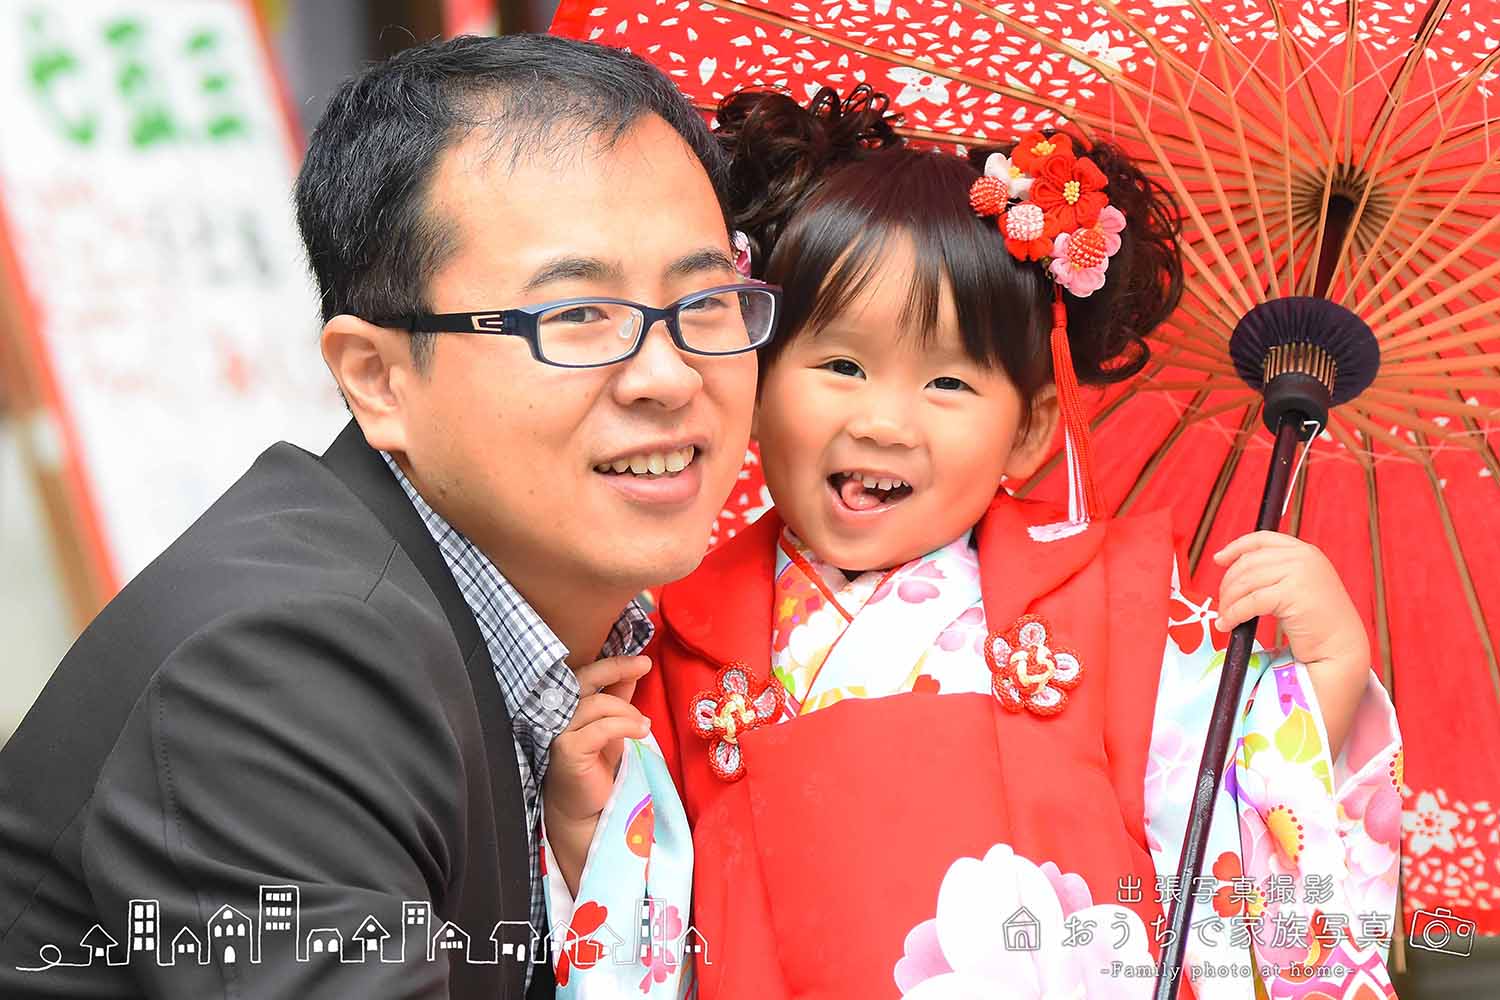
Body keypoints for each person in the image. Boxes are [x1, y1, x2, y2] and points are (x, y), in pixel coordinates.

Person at [546, 87, 1403, 999]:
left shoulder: (1110, 603)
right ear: (752, 382)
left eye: (949, 383)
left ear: (1031, 430)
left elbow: (1232, 815)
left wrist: (1329, 671)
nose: (882, 420)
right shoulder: (677, 638)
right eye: (840, 364)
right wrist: (583, 830)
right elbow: (650, 925)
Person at [0, 33, 766, 999]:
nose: (668, 374)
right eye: (575, 316)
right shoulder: (276, 668)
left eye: (705, 300)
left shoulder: (631, 649)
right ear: (378, 378)